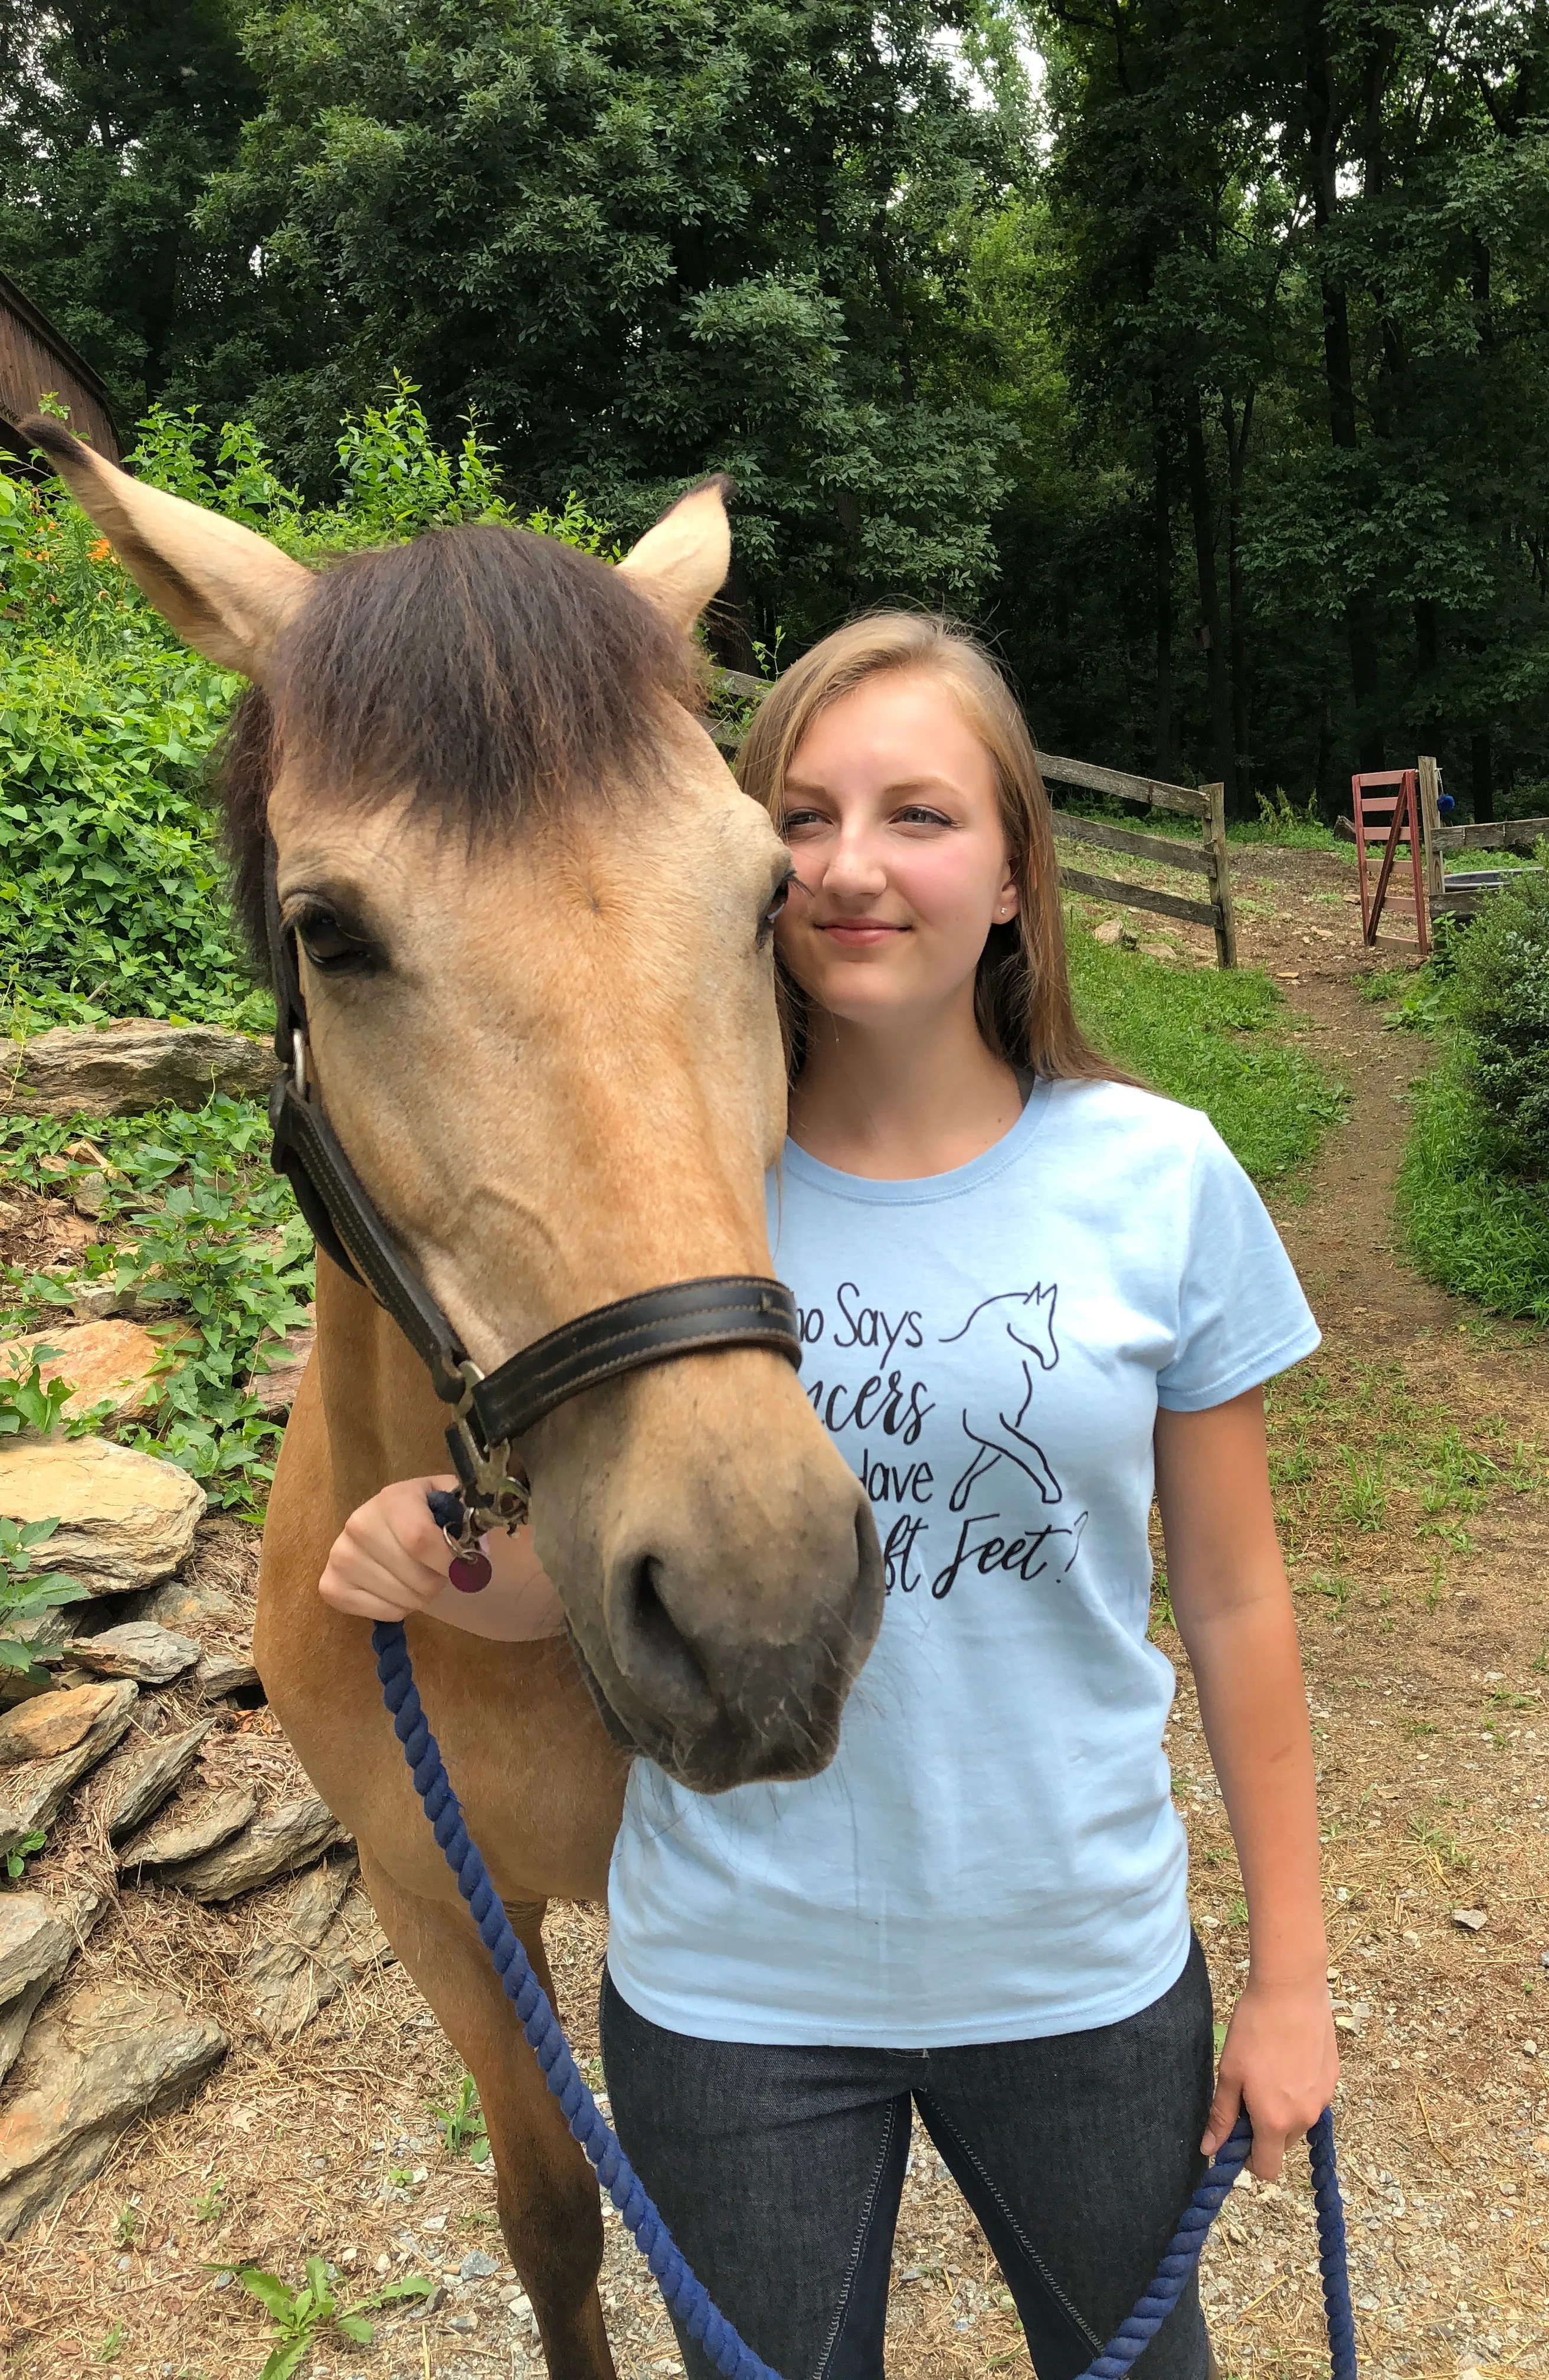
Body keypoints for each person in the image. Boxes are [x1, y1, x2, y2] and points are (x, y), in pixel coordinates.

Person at [320, 614, 1338, 2380]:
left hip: (1078, 1973)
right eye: (802, 815)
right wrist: (432, 1560)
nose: (852, 866)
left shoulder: (1158, 1178)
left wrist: (1293, 1980)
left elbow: (1240, 1601)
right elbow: (588, 1570)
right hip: (736, 2000)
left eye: (921, 816)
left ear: (1018, 875)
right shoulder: (669, 1206)